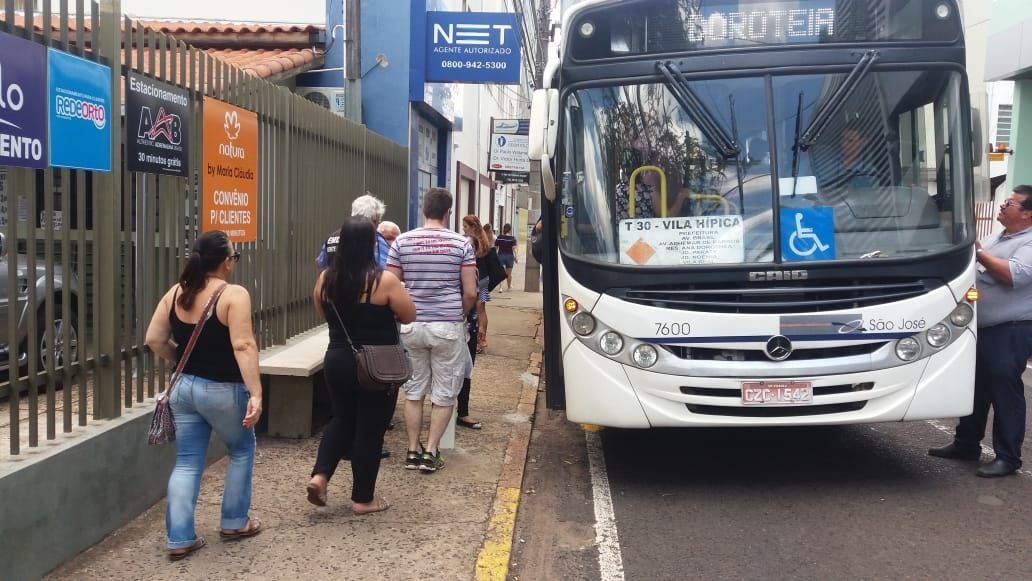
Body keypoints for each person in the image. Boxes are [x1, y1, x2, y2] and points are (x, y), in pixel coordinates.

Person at [144, 231, 263, 560]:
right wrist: (256, 392)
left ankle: (180, 538)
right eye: (234, 258)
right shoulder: (233, 295)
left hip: (182, 388)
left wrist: (181, 359)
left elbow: (154, 339)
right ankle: (234, 522)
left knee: (186, 462)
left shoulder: (177, 292)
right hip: (223, 388)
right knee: (241, 450)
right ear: (226, 262)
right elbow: (243, 345)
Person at [306, 216, 416, 512]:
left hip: (338, 359)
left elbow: (322, 313)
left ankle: (320, 475)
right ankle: (363, 499)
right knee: (370, 428)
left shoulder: (325, 280)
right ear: (372, 244)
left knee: (341, 418)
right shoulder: (384, 281)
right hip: (376, 366)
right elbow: (408, 316)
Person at [928, 185, 1032, 478]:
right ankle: (966, 443)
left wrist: (979, 252)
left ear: (1026, 213)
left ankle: (1008, 457)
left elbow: (1014, 275)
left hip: (1010, 329)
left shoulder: (1028, 242)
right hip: (980, 326)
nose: (1002, 206)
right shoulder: (999, 236)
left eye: (1009, 203)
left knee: (1005, 391)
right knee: (975, 387)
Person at [387, 187, 478, 473]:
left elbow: (390, 285)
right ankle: (430, 451)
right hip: (447, 326)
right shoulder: (461, 244)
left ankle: (412, 450)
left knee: (413, 392)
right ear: (448, 212)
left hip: (412, 325)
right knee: (444, 393)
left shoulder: (402, 242)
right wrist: (458, 313)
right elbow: (472, 292)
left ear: (424, 210)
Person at [317, 194, 390, 270]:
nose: (377, 226)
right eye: (378, 222)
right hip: (370, 281)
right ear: (373, 221)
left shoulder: (331, 239)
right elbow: (386, 268)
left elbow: (321, 264)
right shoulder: (377, 240)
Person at [463, 215, 492, 353]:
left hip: (477, 279)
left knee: (476, 311)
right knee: (482, 310)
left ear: (473, 227)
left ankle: (478, 340)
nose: (464, 229)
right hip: (485, 278)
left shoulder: (473, 242)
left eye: (465, 227)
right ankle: (483, 340)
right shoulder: (484, 239)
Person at [494, 223, 518, 292]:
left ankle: (500, 288)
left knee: (501, 273)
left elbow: (495, 248)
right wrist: (516, 257)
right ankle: (509, 286)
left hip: (501, 256)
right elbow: (514, 249)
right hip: (510, 257)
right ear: (510, 230)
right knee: (509, 273)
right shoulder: (512, 238)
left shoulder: (499, 237)